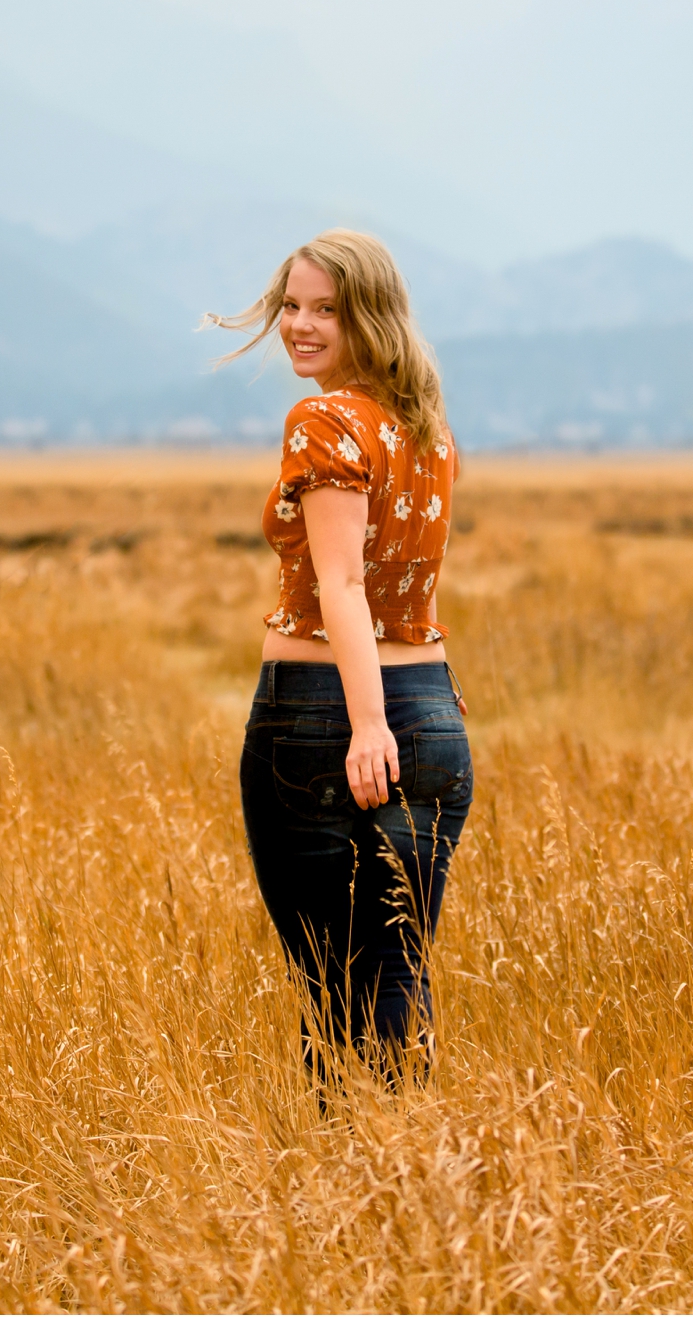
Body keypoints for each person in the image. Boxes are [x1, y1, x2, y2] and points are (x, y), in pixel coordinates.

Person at [208, 229, 474, 1089]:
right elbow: (414, 580)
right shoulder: (426, 430)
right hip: (431, 711)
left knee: (331, 987)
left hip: (322, 716)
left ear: (372, 316)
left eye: (327, 308)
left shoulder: (324, 420)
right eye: (291, 305)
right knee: (397, 969)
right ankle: (410, 1175)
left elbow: (343, 583)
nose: (300, 325)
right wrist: (421, 701)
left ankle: (342, 1188)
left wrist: (367, 724)